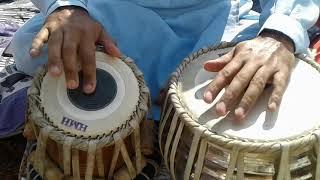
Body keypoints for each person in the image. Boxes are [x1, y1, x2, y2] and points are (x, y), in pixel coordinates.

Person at [11, 0, 320, 121]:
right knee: (38, 45)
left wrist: (277, 34)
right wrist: (66, 7)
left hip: (215, 23)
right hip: (111, 12)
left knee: (274, 79)